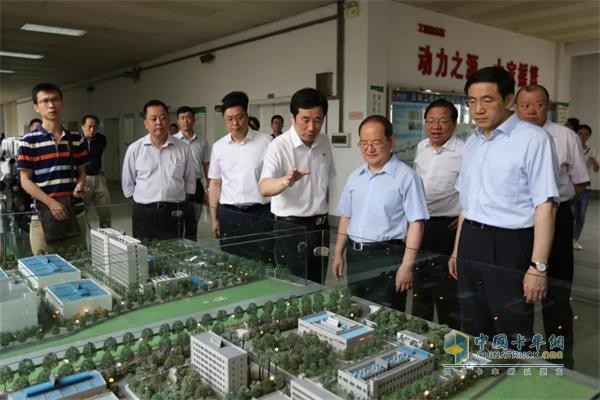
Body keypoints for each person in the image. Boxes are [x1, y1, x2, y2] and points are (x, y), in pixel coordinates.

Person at [449, 66, 559, 347]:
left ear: (509, 100)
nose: (478, 109)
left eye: (488, 100)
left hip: (510, 244)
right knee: (472, 319)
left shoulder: (533, 140)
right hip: (471, 241)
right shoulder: (473, 142)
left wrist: (538, 267)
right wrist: (457, 250)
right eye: (472, 102)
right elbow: (467, 203)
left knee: (512, 324)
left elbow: (545, 206)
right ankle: (478, 380)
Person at [515, 84, 589, 369]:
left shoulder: (565, 136)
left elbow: (580, 182)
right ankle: (518, 355)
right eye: (525, 105)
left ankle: (559, 359)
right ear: (515, 107)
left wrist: (552, 203)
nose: (532, 111)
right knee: (517, 290)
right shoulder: (508, 138)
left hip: (556, 221)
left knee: (555, 292)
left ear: (548, 107)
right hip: (519, 224)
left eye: (538, 105)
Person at [332, 115, 428, 310]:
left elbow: (416, 224)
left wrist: (407, 265)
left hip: (387, 257)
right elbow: (346, 217)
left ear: (391, 141)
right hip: (355, 255)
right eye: (364, 143)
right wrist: (338, 254)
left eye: (376, 142)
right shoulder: (355, 176)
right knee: (356, 310)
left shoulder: (406, 177)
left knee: (386, 315)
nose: (369, 149)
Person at [260, 88, 336, 284]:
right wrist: (285, 181)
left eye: (318, 120)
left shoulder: (324, 141)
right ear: (292, 117)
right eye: (305, 119)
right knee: (292, 285)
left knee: (317, 282)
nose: (312, 127)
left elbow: (325, 182)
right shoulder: (278, 146)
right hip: (290, 228)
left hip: (320, 227)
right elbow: (264, 187)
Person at [17, 83, 88, 254]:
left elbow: (82, 172)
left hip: (75, 214)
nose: (51, 105)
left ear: (61, 103)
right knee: (45, 272)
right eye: (45, 101)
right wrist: (51, 203)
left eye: (55, 99)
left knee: (79, 267)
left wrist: (80, 184)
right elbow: (25, 181)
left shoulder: (76, 138)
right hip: (43, 218)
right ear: (36, 107)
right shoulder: (28, 141)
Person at [412, 99, 463, 328]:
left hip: (447, 228)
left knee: (447, 290)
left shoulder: (464, 151)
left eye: (442, 121)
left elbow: (472, 189)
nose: (436, 126)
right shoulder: (421, 147)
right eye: (431, 121)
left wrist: (463, 216)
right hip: (421, 225)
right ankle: (419, 334)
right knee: (420, 286)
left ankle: (448, 340)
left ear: (454, 123)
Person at [207, 91, 272, 260]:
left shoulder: (266, 142)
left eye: (240, 117)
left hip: (260, 214)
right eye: (229, 119)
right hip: (229, 214)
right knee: (232, 262)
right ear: (224, 120)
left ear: (247, 116)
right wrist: (214, 218)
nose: (235, 123)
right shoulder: (219, 147)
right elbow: (215, 184)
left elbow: (274, 180)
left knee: (263, 262)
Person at [122, 100, 196, 241]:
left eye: (163, 118)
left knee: (174, 253)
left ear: (168, 121)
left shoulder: (183, 148)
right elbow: (128, 185)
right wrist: (146, 201)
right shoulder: (135, 149)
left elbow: (190, 181)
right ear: (145, 123)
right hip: (144, 213)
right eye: (153, 118)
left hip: (174, 212)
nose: (158, 122)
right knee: (145, 255)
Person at [174, 106, 210, 241]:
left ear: (194, 120)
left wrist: (209, 187)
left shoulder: (202, 141)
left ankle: (191, 252)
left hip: (196, 187)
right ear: (178, 121)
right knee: (176, 222)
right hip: (178, 186)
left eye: (188, 117)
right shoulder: (173, 142)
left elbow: (206, 164)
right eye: (182, 118)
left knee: (192, 223)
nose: (186, 121)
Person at [80, 114, 112, 228]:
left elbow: (94, 154)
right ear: (82, 127)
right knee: (82, 213)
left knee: (105, 211)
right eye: (89, 127)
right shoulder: (77, 141)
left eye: (95, 127)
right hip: (83, 178)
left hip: (99, 178)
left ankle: (106, 235)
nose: (92, 130)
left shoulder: (101, 139)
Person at [573, 124, 599, 250]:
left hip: (586, 188)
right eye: (580, 133)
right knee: (571, 213)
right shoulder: (572, 148)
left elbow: (596, 169)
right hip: (572, 186)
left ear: (589, 136)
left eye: (586, 134)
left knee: (581, 214)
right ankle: (567, 237)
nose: (583, 136)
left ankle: (575, 239)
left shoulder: (592, 151)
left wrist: (595, 162)